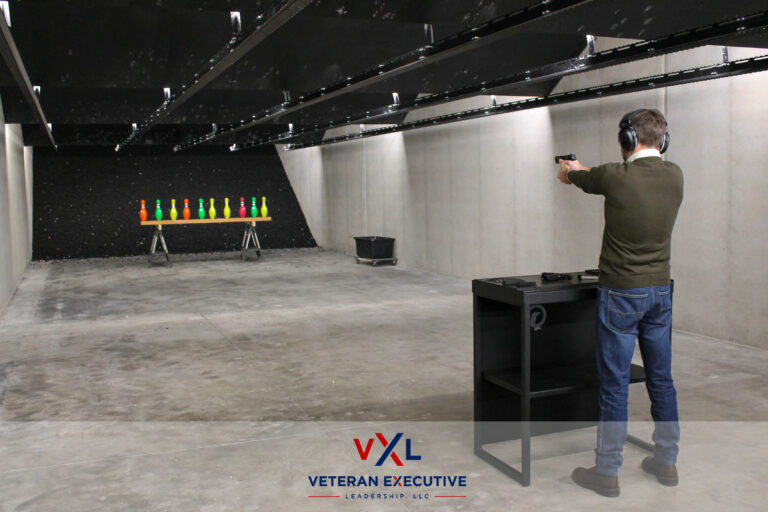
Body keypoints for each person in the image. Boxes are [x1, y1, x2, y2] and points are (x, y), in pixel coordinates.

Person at [557, 108, 683, 498]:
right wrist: (585, 169)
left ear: (627, 141)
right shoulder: (675, 174)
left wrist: (569, 169)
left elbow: (576, 176)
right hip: (660, 291)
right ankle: (666, 461)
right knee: (661, 379)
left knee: (614, 386)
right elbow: (611, 177)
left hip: (620, 294)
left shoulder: (613, 175)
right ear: (662, 141)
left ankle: (607, 471)